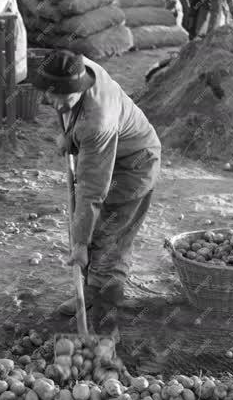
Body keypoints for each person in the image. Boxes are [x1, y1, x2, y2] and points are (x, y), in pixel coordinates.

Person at [31, 50, 161, 343]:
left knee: (106, 245)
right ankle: (88, 297)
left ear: (80, 88)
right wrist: (69, 135)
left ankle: (106, 328)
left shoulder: (96, 122)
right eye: (53, 96)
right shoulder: (75, 68)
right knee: (90, 233)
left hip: (133, 166)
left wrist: (78, 244)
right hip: (105, 154)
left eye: (66, 98)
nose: (58, 104)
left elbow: (92, 191)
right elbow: (63, 102)